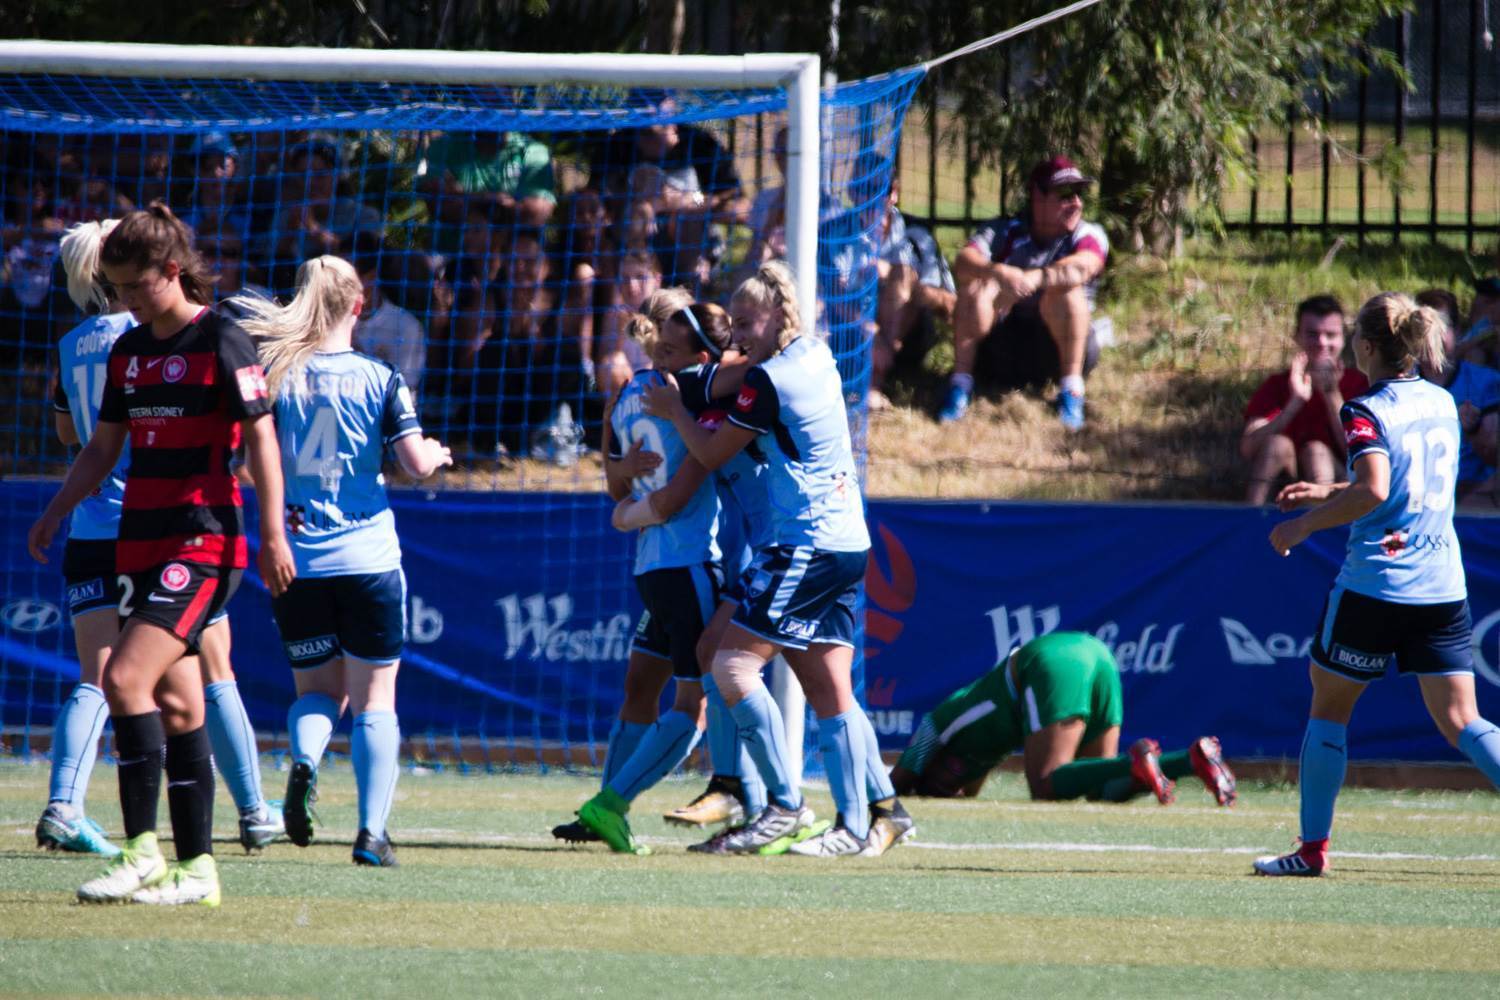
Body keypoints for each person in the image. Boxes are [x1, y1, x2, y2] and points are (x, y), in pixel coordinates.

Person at [26, 202, 295, 906]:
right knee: (179, 707)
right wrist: (57, 509)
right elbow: (102, 446)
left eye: (135, 287)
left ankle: (141, 852)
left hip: (203, 542)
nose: (125, 302)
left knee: (122, 681)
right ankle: (198, 868)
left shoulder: (223, 340)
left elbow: (262, 439)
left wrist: (272, 533)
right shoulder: (129, 351)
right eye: (115, 291)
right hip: (136, 544)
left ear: (171, 271)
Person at [643, 261, 913, 857]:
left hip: (805, 545)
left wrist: (672, 411)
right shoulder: (813, 352)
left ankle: (782, 807)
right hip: (844, 541)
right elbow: (721, 381)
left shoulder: (765, 385)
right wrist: (683, 381)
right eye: (732, 324)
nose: (738, 334)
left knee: (729, 666)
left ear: (777, 316)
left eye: (747, 321)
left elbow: (711, 451)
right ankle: (881, 813)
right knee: (827, 687)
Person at [1257, 293, 1500, 877]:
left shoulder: (1365, 410)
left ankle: (1312, 851)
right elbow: (1400, 483)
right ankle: (1310, 850)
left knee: (1329, 707)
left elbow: (1372, 489)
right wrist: (1322, 493)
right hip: (1442, 587)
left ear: (1365, 346)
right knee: (1464, 721)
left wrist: (1302, 526)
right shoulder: (1443, 402)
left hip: (1377, 583)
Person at [230, 255, 452, 868]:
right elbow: (411, 462)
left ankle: (303, 760)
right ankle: (371, 835)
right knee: (376, 699)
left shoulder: (275, 377)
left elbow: (246, 464)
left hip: (296, 560)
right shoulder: (380, 377)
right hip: (368, 557)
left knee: (318, 693)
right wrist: (437, 453)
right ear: (359, 305)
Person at [562, 303, 733, 854]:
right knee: (693, 706)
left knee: (641, 687)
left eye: (668, 347)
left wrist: (624, 491)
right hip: (686, 566)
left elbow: (616, 486)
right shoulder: (694, 395)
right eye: (661, 344)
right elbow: (663, 490)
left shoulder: (630, 391)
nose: (661, 354)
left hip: (652, 569)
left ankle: (604, 805)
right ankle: (610, 805)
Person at [888, 632, 1236, 806]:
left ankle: (1137, 761)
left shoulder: (942, 721)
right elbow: (965, 788)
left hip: (1049, 663)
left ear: (935, 764)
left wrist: (897, 791)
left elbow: (895, 782)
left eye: (940, 782)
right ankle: (1189, 759)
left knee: (1044, 785)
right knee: (1101, 792)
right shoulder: (976, 757)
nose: (951, 789)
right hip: (1097, 655)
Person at [941, 155, 1109, 430]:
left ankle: (1071, 391)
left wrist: (1036, 278)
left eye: (1079, 193)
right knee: (977, 286)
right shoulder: (1005, 231)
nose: (1076, 203)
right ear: (1037, 197)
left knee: (1066, 290)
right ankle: (959, 386)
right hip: (1003, 351)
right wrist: (999, 273)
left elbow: (1085, 265)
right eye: (1066, 194)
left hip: (1058, 351)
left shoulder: (1088, 234)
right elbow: (963, 261)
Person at [1241, 296, 1368, 506]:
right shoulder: (1278, 384)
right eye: (1312, 334)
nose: (1321, 343)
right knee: (1277, 445)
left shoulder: (1359, 384)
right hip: (1285, 480)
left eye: (1330, 335)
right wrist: (1295, 403)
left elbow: (1359, 452)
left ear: (1344, 338)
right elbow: (1248, 447)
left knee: (1315, 451)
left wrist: (1331, 394)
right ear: (1296, 336)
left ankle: (1322, 528)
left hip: (1337, 483)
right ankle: (1250, 522)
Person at [1417, 288, 1500, 506]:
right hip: (1416, 495)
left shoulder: (1486, 382)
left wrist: (1474, 428)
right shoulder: (1397, 386)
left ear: (1457, 330)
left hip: (1474, 491)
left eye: (1442, 327)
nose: (1432, 336)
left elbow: (1494, 455)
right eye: (1424, 328)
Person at [420, 129, 556, 256]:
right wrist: (504, 204)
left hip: (515, 263)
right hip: (450, 258)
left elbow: (537, 213)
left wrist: (466, 198)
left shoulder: (532, 150)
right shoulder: (444, 146)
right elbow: (441, 205)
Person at [350, 234, 426, 395]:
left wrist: (354, 354)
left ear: (371, 276)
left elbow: (404, 389)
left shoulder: (405, 326)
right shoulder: (321, 322)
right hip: (327, 413)